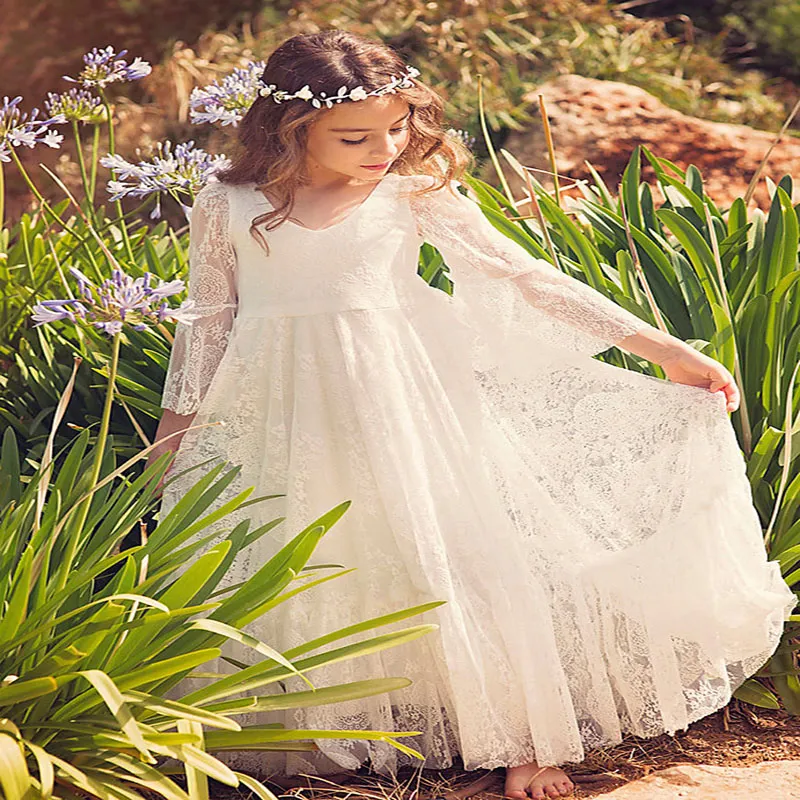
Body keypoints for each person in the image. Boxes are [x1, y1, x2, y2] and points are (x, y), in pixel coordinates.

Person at [148, 29, 796, 800]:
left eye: (396, 127)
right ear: (290, 130)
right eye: (354, 137)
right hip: (278, 415)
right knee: (299, 558)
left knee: (462, 558)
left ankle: (523, 737)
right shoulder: (228, 205)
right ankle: (299, 730)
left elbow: (522, 276)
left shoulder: (412, 192)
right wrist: (173, 437)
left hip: (403, 403)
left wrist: (662, 350)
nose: (382, 148)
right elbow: (209, 323)